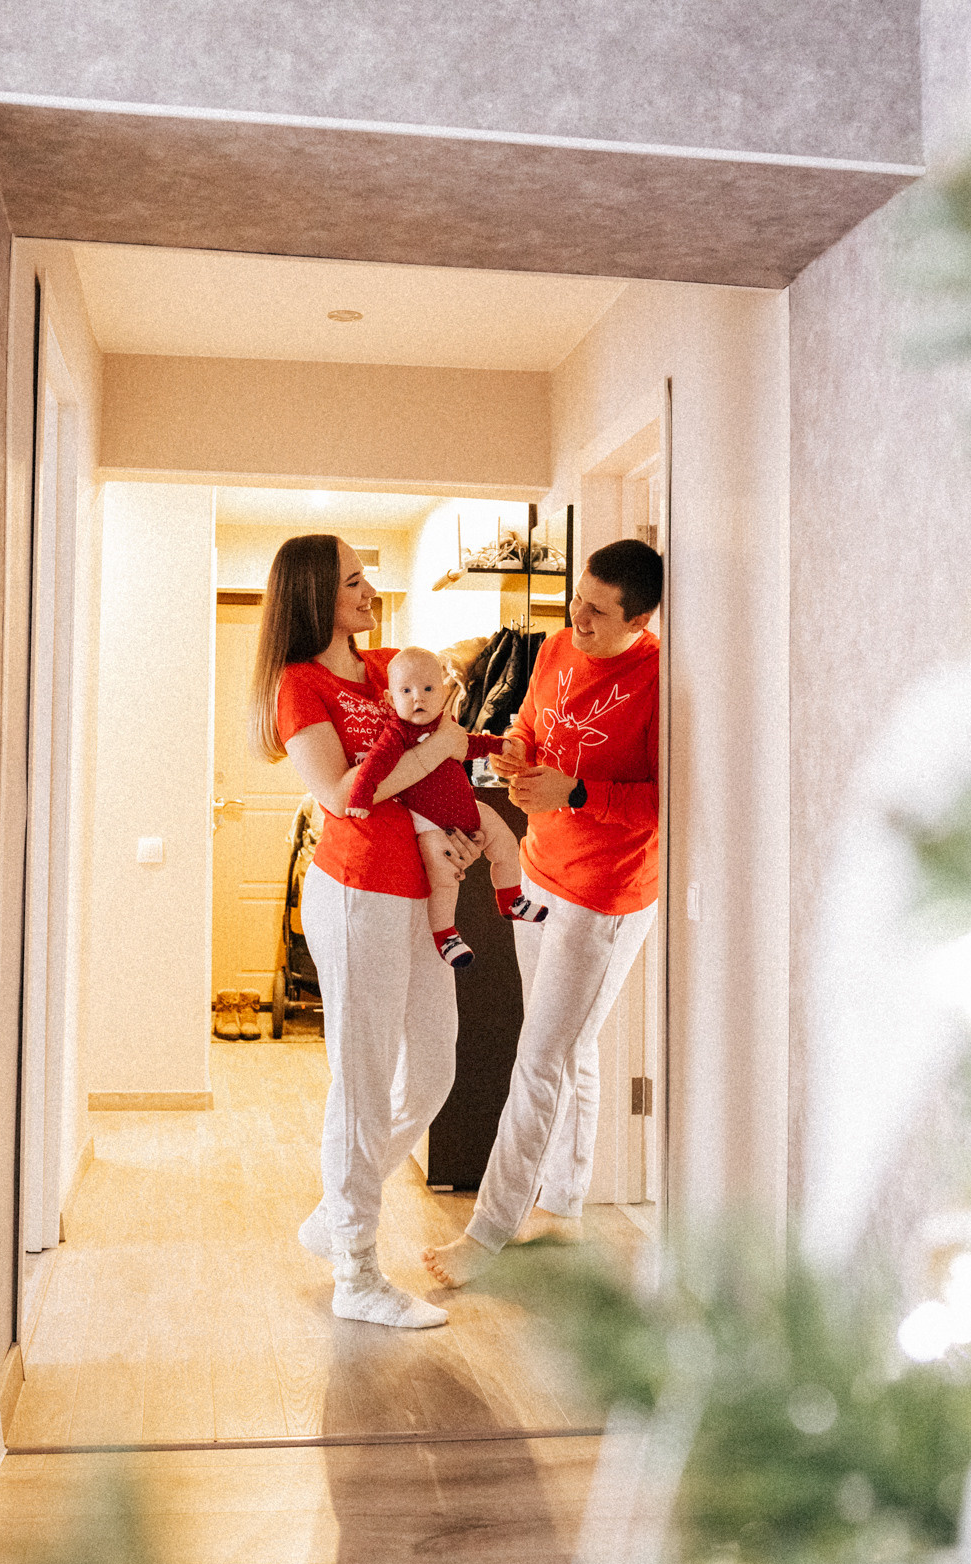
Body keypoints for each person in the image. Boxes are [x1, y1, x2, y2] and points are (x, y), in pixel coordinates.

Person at [250, 534, 483, 1328]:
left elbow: (430, 766)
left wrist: (457, 817)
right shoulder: (298, 685)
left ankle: (333, 1211)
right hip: (355, 897)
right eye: (352, 580)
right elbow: (344, 793)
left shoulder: (389, 668)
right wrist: (444, 745)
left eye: (365, 576)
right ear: (316, 595)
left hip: (419, 892)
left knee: (432, 1073)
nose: (367, 589)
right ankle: (356, 1272)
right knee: (361, 1078)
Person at [423, 538, 663, 1288]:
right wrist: (519, 750)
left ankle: (488, 1235)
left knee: (540, 1060)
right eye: (576, 599)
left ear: (639, 617)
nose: (576, 617)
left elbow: (667, 802)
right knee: (569, 1050)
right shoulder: (558, 644)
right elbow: (530, 717)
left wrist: (578, 792)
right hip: (538, 875)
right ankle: (561, 1205)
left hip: (604, 896)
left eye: (596, 611)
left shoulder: (660, 678)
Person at [346, 645, 548, 968]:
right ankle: (445, 935)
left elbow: (469, 744)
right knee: (444, 878)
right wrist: (359, 797)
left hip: (468, 808)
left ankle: (511, 898)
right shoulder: (397, 734)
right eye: (406, 691)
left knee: (507, 841)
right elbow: (374, 767)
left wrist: (499, 744)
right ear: (389, 699)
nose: (418, 698)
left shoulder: (446, 724)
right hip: (430, 824)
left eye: (428, 689)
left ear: (442, 691)